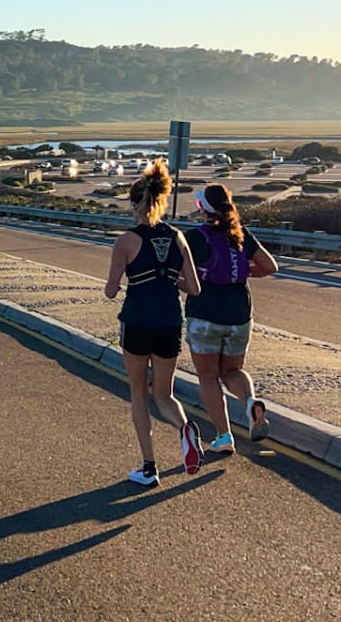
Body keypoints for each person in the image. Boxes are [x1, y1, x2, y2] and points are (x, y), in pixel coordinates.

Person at [103, 159, 202, 486]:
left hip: (137, 321)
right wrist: (168, 279)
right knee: (164, 394)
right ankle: (185, 429)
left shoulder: (126, 241)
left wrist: (131, 281)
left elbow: (110, 290)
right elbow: (194, 288)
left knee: (138, 394)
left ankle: (149, 468)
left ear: (134, 203)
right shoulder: (177, 237)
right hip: (170, 322)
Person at [184, 183, 279, 458]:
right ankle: (250, 402)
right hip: (239, 314)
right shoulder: (241, 234)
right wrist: (240, 273)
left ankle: (224, 436)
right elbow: (271, 266)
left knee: (208, 376)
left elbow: (178, 272)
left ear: (202, 208)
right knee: (232, 372)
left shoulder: (194, 237)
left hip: (204, 313)